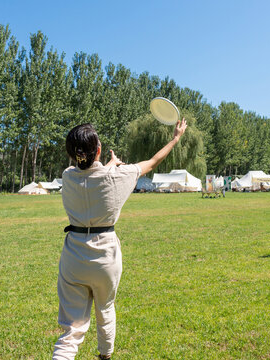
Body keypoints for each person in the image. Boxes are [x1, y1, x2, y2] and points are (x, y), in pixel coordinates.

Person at [53, 119, 188, 360]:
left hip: (73, 256)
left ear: (73, 154)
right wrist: (175, 138)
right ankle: (105, 356)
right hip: (105, 256)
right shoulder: (118, 176)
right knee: (105, 309)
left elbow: (89, 175)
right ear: (98, 150)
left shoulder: (68, 176)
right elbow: (153, 162)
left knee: (72, 330)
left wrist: (109, 165)